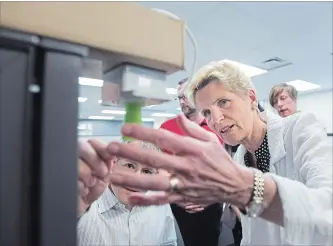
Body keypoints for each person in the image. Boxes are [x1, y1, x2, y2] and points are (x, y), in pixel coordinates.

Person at [104, 60, 333, 245]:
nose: (217, 119)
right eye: (207, 112)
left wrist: (248, 189)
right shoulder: (240, 157)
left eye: (224, 102)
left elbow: (328, 212)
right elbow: (252, 236)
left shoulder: (300, 129)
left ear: (251, 98)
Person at [77, 139, 177, 246]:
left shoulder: (160, 202)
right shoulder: (84, 203)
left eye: (147, 171)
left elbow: (168, 243)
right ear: (113, 164)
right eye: (129, 166)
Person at [160, 78, 223, 246]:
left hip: (210, 205)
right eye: (179, 98)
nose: (182, 101)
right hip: (180, 206)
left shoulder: (216, 126)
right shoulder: (167, 128)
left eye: (185, 96)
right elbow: (161, 170)